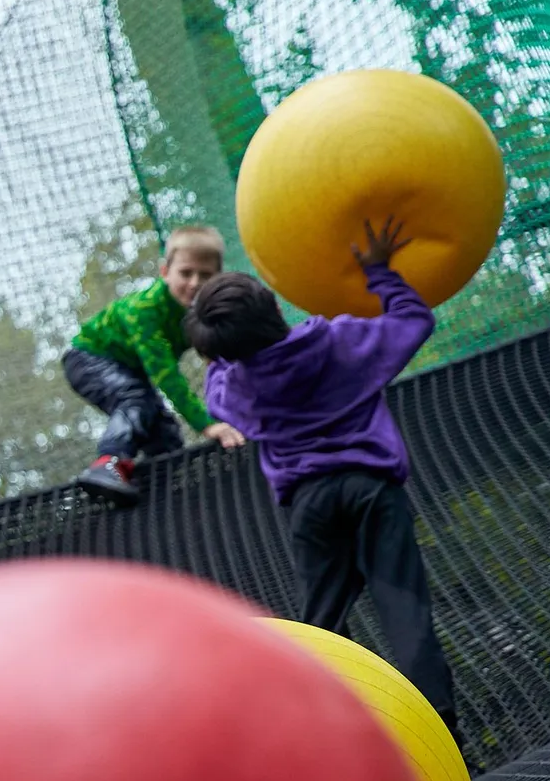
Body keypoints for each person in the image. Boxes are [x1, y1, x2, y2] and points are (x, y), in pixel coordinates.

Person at [187, 217, 458, 734]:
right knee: (404, 607)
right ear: (273, 305)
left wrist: (216, 347)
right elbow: (413, 320)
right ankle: (441, 726)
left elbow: (216, 388)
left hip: (309, 504)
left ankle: (336, 730)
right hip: (371, 488)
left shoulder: (239, 386)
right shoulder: (338, 342)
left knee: (324, 624)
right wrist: (378, 273)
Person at [65, 225, 247, 503]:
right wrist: (207, 424)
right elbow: (165, 374)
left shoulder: (202, 314)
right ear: (165, 272)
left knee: (166, 437)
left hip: (130, 372)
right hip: (90, 358)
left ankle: (163, 497)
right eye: (186, 273)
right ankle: (108, 462)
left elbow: (220, 359)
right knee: (135, 401)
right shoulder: (145, 310)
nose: (195, 283)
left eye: (205, 275)